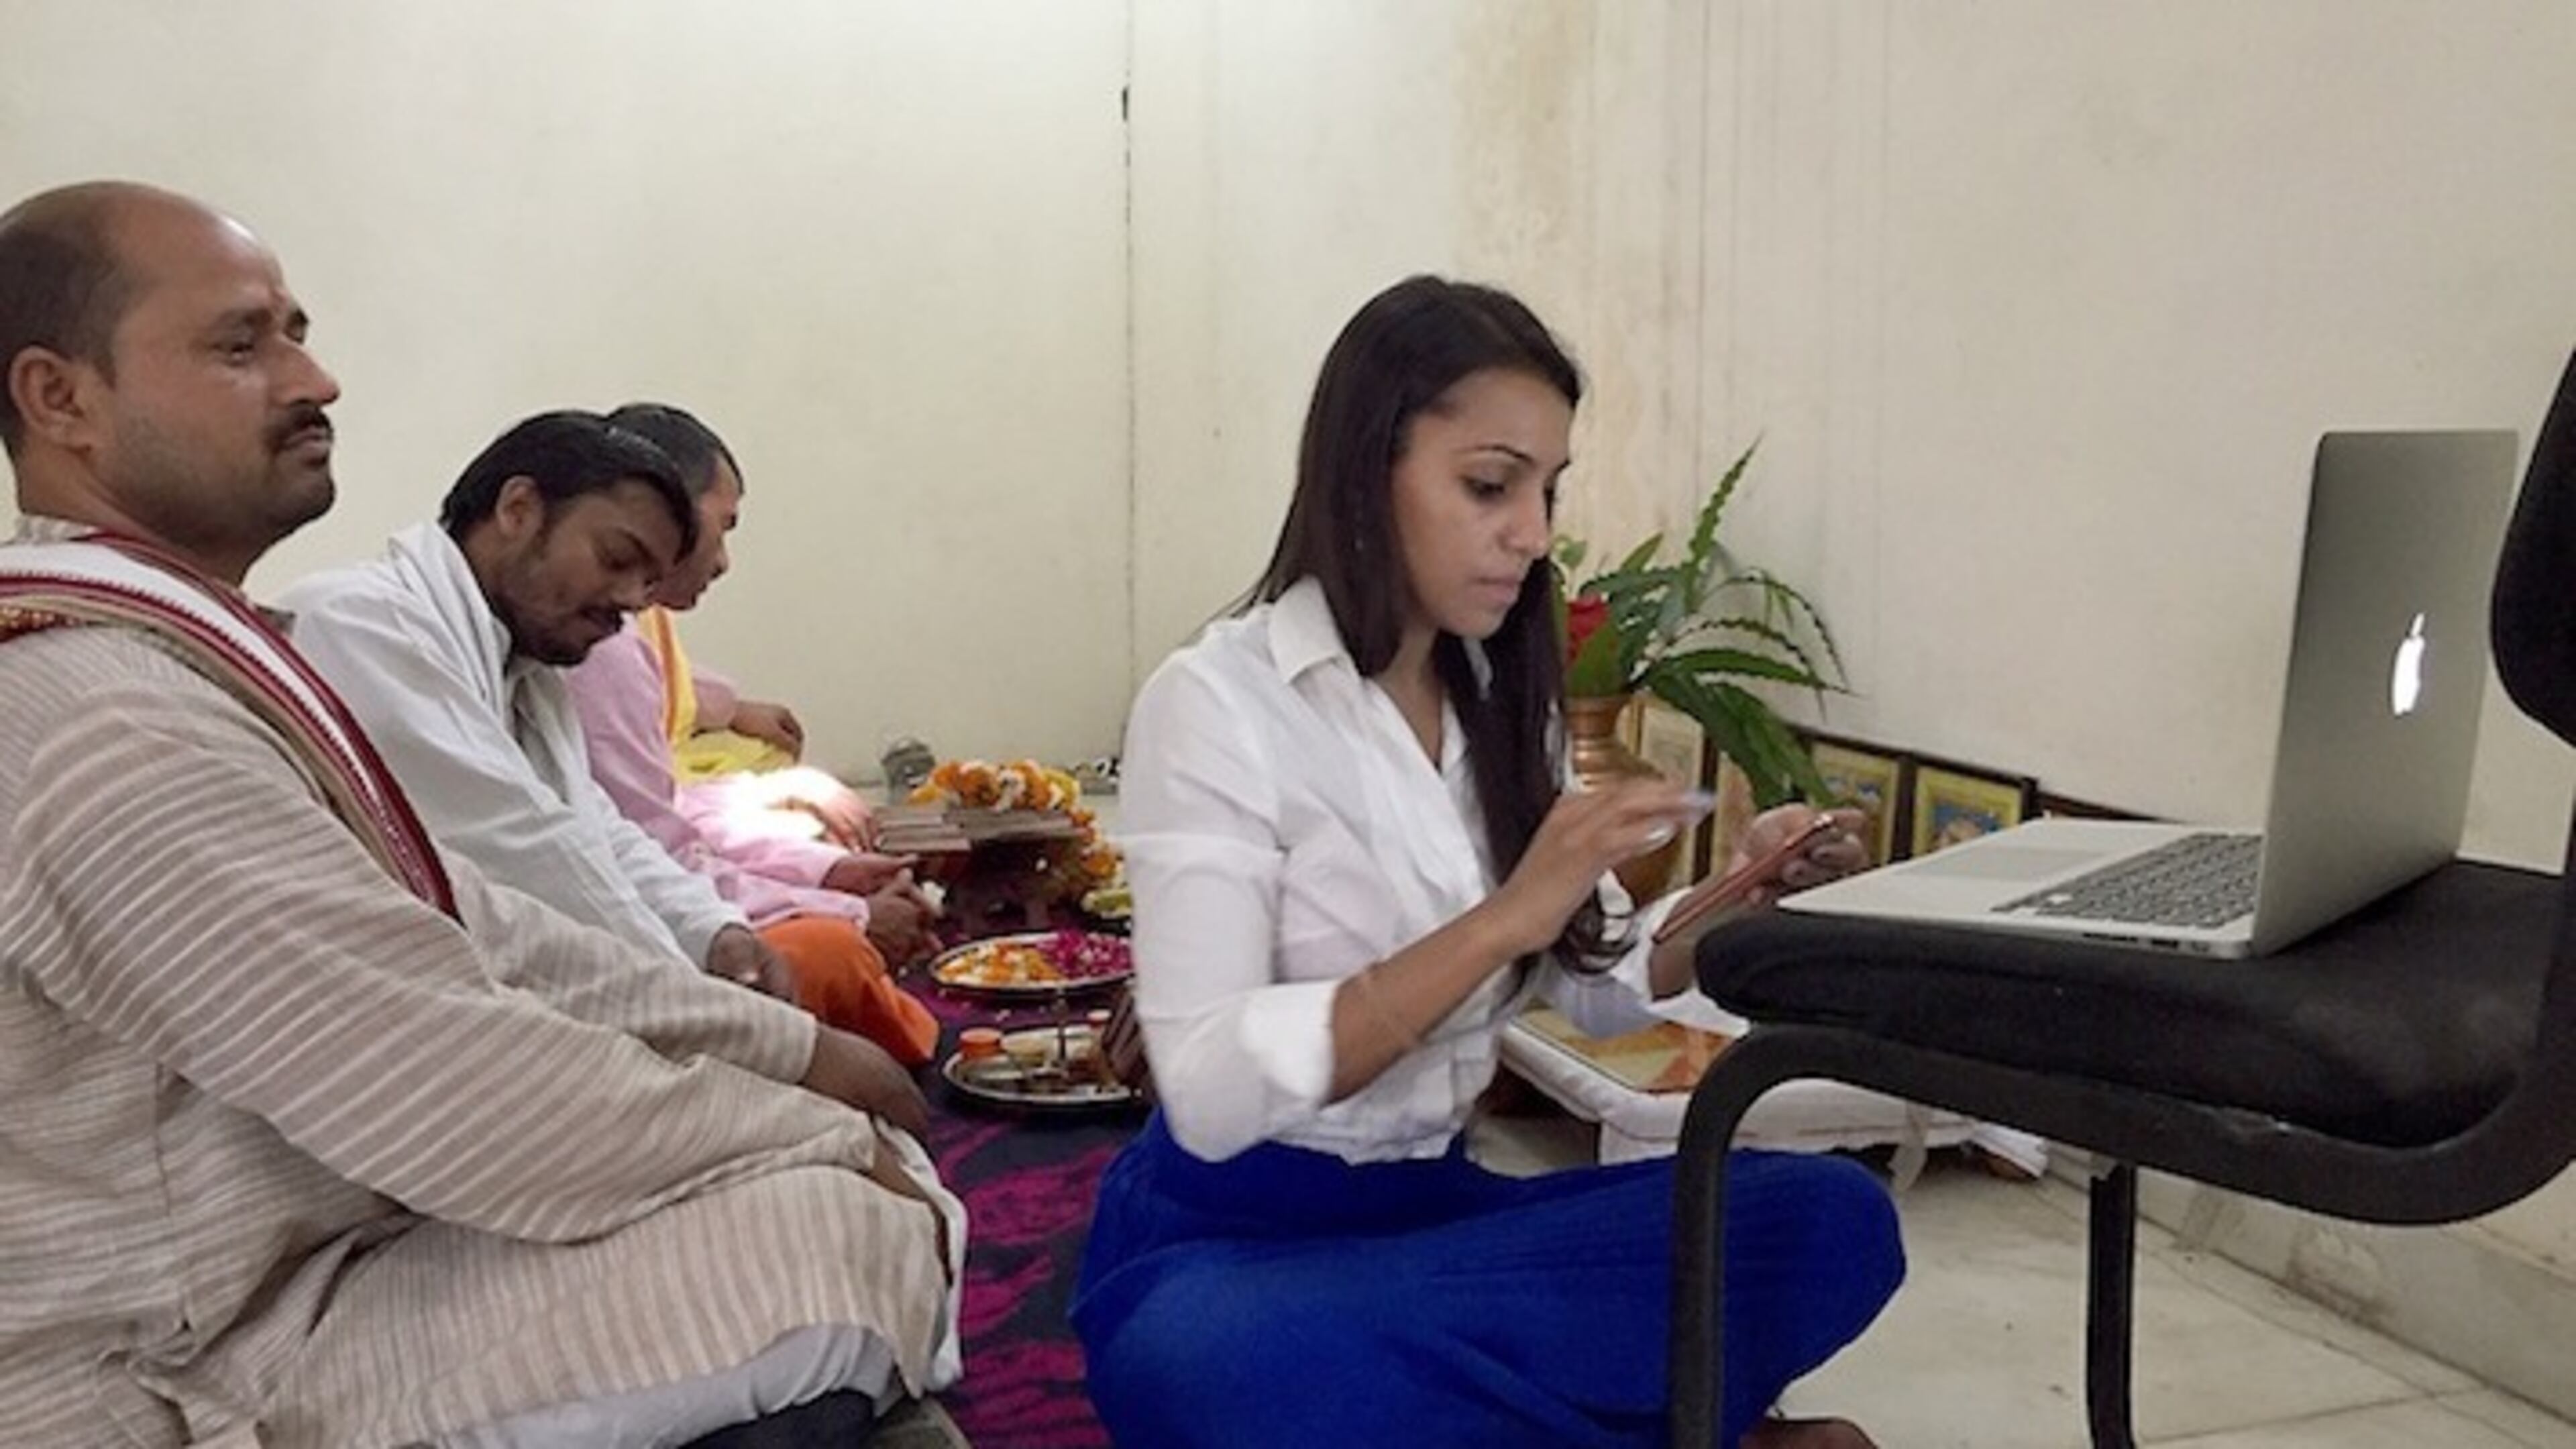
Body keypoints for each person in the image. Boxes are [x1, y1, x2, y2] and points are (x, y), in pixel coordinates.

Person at [0, 180, 959, 1448]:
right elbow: (431, 1065)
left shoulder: (176, 651)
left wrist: (780, 1050)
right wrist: (794, 1112)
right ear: (59, 399)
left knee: (833, 1203)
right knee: (825, 1249)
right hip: (183, 1362)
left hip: (317, 1251)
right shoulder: (101, 718)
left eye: (298, 332)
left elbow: (475, 911)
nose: (316, 380)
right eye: (242, 345)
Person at [1071, 276, 1902, 1449]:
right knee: (1213, 1366)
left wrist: (1740, 895)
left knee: (1830, 1217)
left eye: (1548, 489)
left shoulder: (1504, 702)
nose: (1534, 532)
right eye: (1489, 485)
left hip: (1443, 1224)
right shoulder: (1217, 703)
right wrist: (1504, 920)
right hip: (1236, 1239)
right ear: (1366, 472)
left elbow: (1606, 982)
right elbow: (1207, 1087)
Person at [279, 411, 863, 1030]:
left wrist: (716, 932)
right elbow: (530, 855)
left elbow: (592, 826)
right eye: (616, 558)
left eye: (647, 582)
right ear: (518, 510)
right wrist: (722, 1014)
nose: (630, 600)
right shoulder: (363, 624)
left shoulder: (527, 665)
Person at [564, 401, 943, 1055]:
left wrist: (826, 873)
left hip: (651, 877)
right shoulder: (600, 645)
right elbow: (650, 854)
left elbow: (654, 814)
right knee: (833, 951)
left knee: (806, 832)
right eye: (723, 526)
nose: (723, 561)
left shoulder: (629, 626)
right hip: (611, 954)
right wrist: (847, 912)